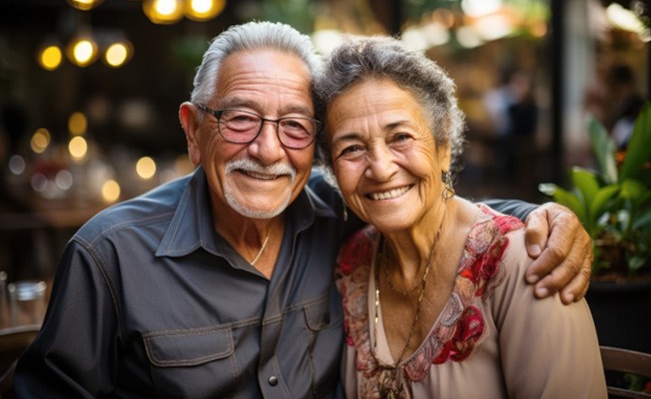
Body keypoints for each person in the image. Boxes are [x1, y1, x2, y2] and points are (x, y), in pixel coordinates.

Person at [15, 21, 593, 398]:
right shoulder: (110, 254)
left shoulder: (341, 221)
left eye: (293, 126)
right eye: (239, 118)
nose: (267, 150)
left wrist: (543, 217)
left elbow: (431, 211)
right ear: (194, 132)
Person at [316, 35, 606, 398]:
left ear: (443, 146)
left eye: (400, 137)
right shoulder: (351, 264)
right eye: (352, 148)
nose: (380, 167)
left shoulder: (528, 266)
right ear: (331, 171)